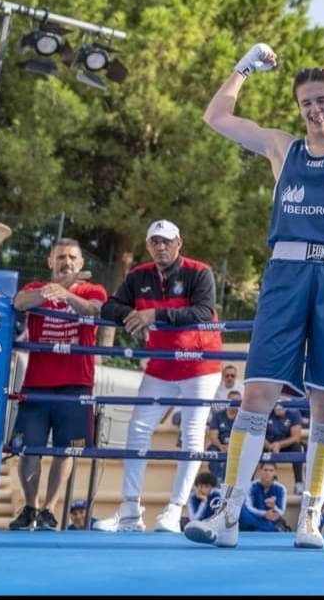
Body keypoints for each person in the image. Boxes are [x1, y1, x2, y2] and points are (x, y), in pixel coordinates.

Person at [184, 30, 324, 551]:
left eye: (322, 101)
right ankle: (229, 515)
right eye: (306, 103)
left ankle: (309, 518)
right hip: (286, 276)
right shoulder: (282, 147)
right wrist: (243, 67)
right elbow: (214, 118)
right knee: (256, 393)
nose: (314, 111)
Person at [97, 219, 220, 534]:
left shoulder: (199, 271)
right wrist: (130, 316)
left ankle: (173, 511)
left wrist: (156, 315)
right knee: (137, 430)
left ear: (179, 242)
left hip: (200, 364)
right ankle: (129, 512)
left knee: (192, 435)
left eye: (166, 241)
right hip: (161, 365)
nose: (161, 246)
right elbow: (109, 307)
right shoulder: (138, 275)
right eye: (155, 241)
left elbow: (204, 311)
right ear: (148, 245)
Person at [9, 238, 107, 532]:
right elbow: (19, 303)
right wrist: (46, 292)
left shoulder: (93, 289)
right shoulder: (36, 287)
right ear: (50, 262)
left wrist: (66, 293)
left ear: (81, 264)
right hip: (37, 383)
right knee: (28, 448)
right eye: (61, 256)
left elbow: (94, 310)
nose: (66, 261)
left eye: (72, 257)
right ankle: (31, 507)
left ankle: (50, 509)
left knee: (66, 450)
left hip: (76, 383)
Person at [239, 462, 289, 532]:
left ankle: (263, 528)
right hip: (255, 517)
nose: (268, 473)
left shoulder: (281, 488)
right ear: (260, 471)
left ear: (275, 472)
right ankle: (268, 528)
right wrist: (264, 514)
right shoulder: (251, 486)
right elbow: (249, 507)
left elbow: (281, 511)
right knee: (242, 511)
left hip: (270, 519)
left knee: (258, 530)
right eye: (265, 470)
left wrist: (274, 506)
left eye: (271, 470)